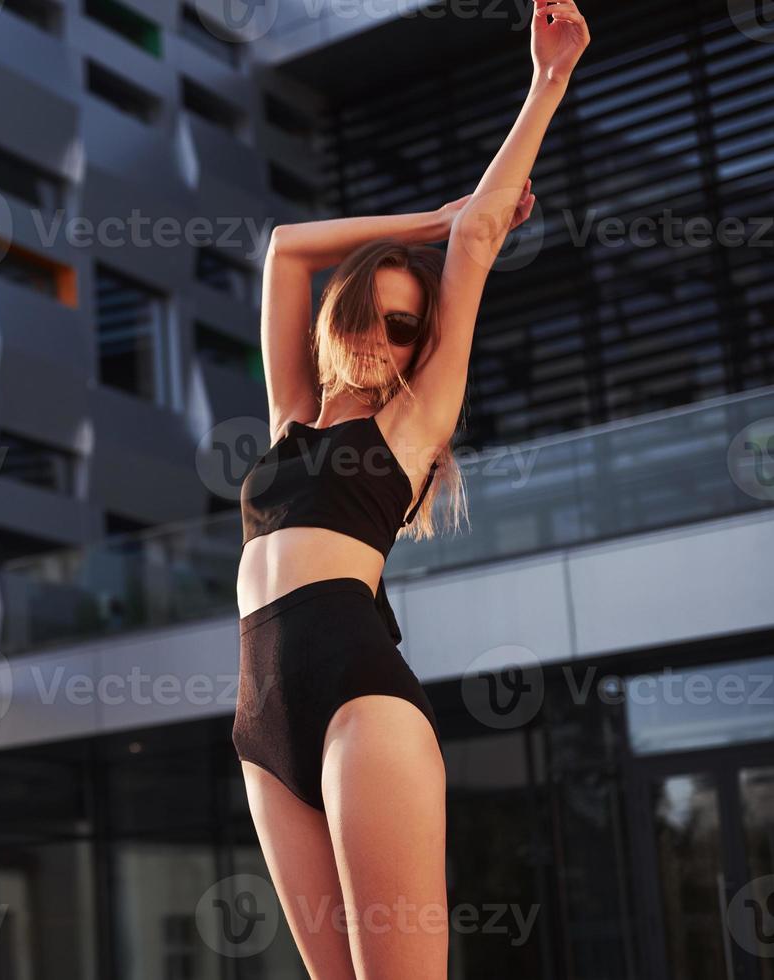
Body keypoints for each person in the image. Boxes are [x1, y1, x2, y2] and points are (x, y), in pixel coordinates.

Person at [231, 1, 590, 975]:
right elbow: (285, 251)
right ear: (340, 311)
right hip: (259, 718)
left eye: (403, 328)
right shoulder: (292, 417)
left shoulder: (410, 423)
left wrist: (544, 82)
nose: (383, 341)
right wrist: (421, 223)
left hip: (357, 694)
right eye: (371, 315)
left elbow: (475, 243)